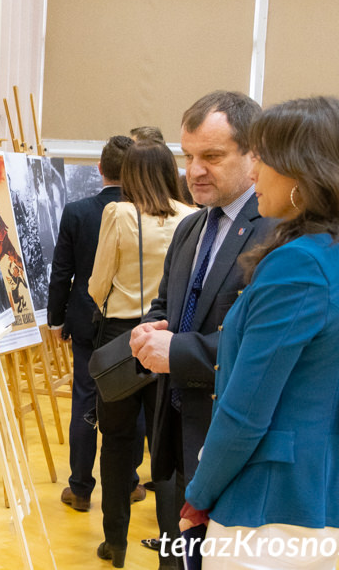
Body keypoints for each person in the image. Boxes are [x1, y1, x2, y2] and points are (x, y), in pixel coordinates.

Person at [181, 96, 339, 568]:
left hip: (271, 504)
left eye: (264, 159)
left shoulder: (300, 264)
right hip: (329, 491)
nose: (254, 173)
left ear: (302, 174)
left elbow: (246, 410)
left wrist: (200, 492)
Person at [128, 91, 276, 569]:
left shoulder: (275, 233)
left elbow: (260, 349)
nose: (193, 171)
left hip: (232, 450)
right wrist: (149, 331)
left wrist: (178, 352)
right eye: (188, 156)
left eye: (211, 157)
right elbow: (166, 306)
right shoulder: (191, 228)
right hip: (175, 438)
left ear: (254, 154)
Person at [87, 140, 196, 566]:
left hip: (123, 336)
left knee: (115, 442)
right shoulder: (193, 216)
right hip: (172, 339)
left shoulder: (119, 213)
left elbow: (99, 282)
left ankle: (115, 542)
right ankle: (172, 551)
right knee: (165, 449)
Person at [47, 135, 133, 512]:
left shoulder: (77, 211)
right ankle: (129, 482)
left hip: (85, 320)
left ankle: (80, 488)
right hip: (130, 323)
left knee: (85, 400)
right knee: (131, 402)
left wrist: (55, 318)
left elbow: (61, 271)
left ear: (100, 169)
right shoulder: (144, 214)